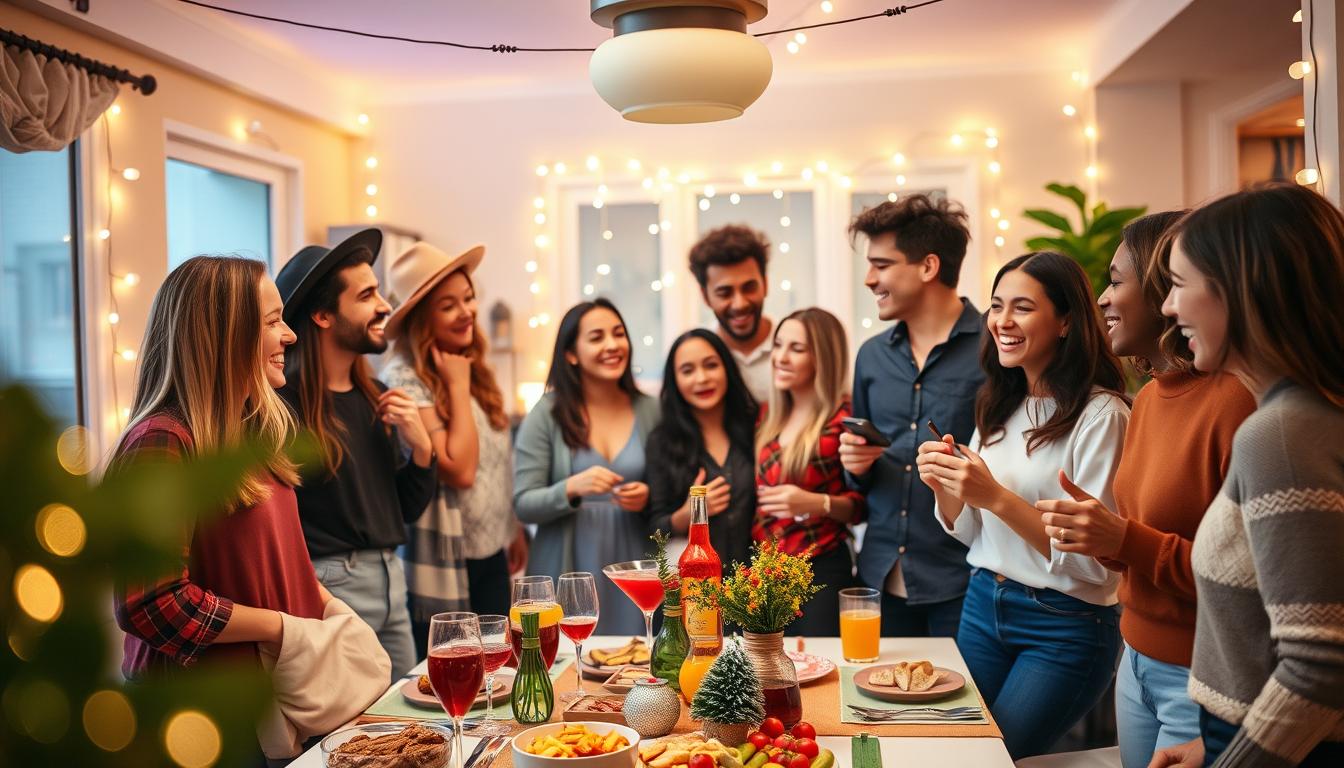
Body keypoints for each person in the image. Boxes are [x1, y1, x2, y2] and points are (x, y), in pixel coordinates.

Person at [111, 256, 388, 761]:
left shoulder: (253, 436)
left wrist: (327, 612)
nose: (290, 336)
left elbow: (271, 559)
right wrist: (283, 628)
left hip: (264, 700)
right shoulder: (162, 442)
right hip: (200, 718)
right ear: (221, 336)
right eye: (271, 322)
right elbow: (149, 602)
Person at [1034, 213, 1255, 768]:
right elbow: (1141, 543)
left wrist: (1125, 539)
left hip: (1200, 679)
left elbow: (1246, 580)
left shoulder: (1236, 403)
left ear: (1164, 289)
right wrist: (1102, 535)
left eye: (1115, 280)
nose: (1103, 299)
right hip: (1133, 659)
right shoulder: (1152, 398)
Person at [1153, 183, 1344, 768]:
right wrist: (1209, 745)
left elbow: (1319, 665)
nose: (1168, 308)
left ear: (1241, 289)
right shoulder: (1302, 416)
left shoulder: (1281, 435)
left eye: (1180, 285)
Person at [916, 251, 1129, 759]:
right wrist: (948, 487)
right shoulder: (999, 403)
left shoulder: (1103, 416)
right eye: (995, 306)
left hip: (1065, 623)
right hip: (983, 603)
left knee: (996, 756)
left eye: (1023, 307)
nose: (1002, 321)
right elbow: (973, 533)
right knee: (951, 750)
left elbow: (1094, 565)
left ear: (1066, 322)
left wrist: (994, 495)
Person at [276, 230, 436, 678]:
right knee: (350, 734)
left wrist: (421, 448)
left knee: (406, 718)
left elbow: (401, 510)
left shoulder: (377, 398)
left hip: (390, 577)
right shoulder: (283, 408)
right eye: (366, 295)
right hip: (331, 585)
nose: (384, 305)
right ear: (324, 315)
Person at [839, 194, 980, 639]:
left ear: (928, 266)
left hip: (964, 582)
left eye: (881, 264)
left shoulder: (993, 353)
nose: (869, 279)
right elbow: (859, 484)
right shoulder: (871, 357)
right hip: (877, 579)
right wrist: (855, 467)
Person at [381, 241, 528, 655]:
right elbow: (459, 469)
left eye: (468, 298)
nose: (467, 312)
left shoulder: (472, 365)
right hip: (447, 558)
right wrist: (457, 387)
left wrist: (512, 525)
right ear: (421, 317)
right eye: (449, 305)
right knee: (460, 673)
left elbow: (496, 460)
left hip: (490, 548)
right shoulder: (404, 377)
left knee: (499, 666)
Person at [513, 299, 659, 635]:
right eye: (596, 337)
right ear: (571, 354)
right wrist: (570, 488)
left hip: (636, 565)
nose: (612, 345)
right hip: (571, 564)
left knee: (641, 658)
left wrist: (649, 496)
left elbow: (672, 490)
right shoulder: (547, 414)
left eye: (618, 334)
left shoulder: (651, 409)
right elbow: (523, 503)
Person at [754, 307, 865, 636]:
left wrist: (815, 503)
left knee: (819, 672)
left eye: (796, 349)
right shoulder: (766, 417)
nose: (781, 357)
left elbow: (861, 506)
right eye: (778, 345)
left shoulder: (844, 420)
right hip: (766, 571)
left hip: (821, 566)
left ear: (823, 358)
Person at [645, 329, 759, 570]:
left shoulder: (756, 428)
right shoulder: (662, 441)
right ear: (674, 380)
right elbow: (654, 527)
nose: (702, 378)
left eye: (711, 365)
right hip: (694, 588)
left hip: (752, 588)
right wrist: (687, 514)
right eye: (688, 371)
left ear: (727, 368)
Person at [688, 224, 775, 402]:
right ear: (705, 296)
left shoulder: (799, 350)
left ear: (765, 285)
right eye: (724, 293)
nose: (740, 304)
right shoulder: (696, 354)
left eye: (749, 288)